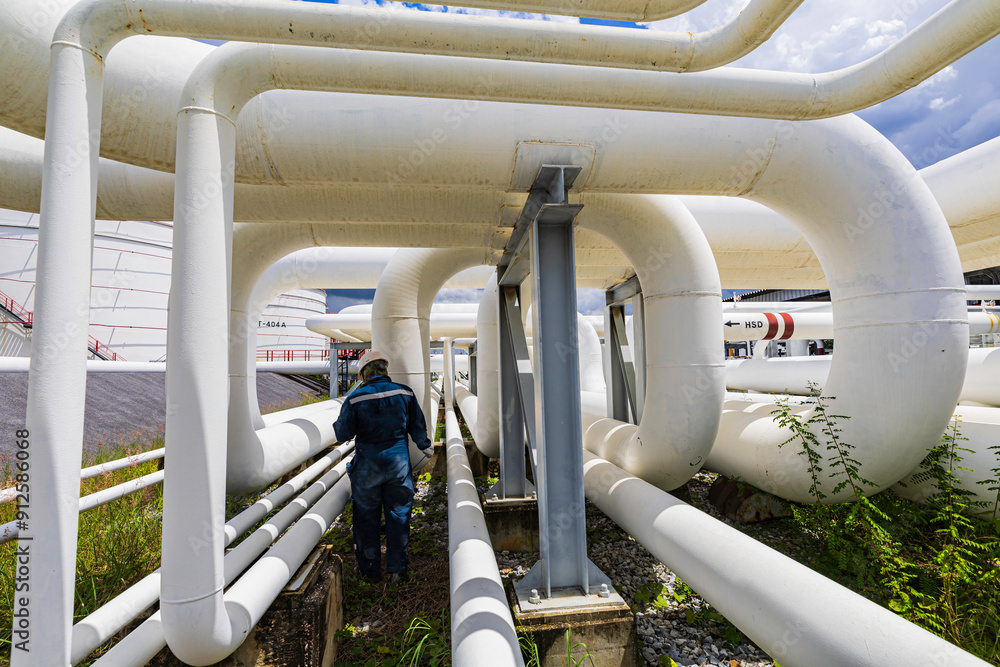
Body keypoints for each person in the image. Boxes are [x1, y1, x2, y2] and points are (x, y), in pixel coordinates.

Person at [333, 350, 432, 584]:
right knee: (399, 514)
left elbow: (342, 434)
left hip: (368, 466)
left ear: (364, 374)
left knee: (366, 517)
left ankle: (370, 571)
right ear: (385, 370)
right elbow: (418, 427)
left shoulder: (355, 398)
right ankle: (397, 571)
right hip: (398, 462)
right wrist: (425, 446)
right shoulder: (404, 393)